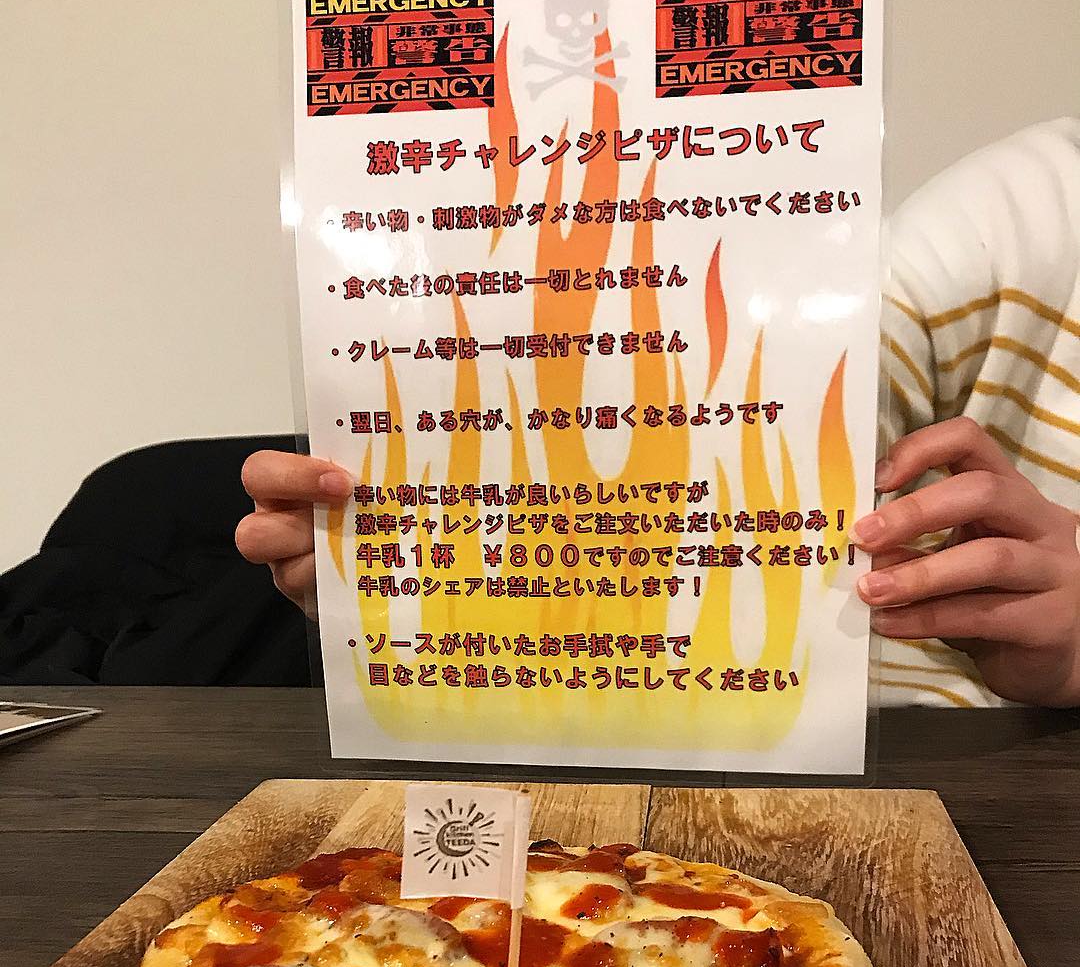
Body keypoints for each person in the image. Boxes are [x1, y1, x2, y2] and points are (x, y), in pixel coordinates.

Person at [237, 119, 1080, 708]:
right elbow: (738, 458)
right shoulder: (1028, 214)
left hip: (956, 780)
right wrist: (391, 571)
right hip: (671, 731)